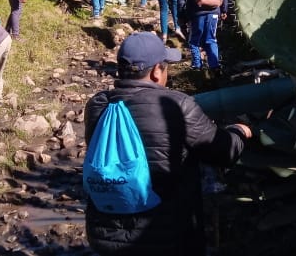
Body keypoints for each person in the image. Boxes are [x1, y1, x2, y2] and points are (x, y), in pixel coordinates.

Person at [84, 32, 252, 256]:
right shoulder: (177, 105)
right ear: (155, 72)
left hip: (105, 237)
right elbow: (223, 152)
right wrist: (239, 132)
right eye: (166, 67)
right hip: (168, 237)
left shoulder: (97, 106)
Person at [178, 0, 229, 71]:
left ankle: (197, 66)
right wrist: (224, 10)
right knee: (211, 39)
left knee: (194, 40)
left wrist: (182, 16)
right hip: (214, 12)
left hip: (197, 14)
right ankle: (215, 66)